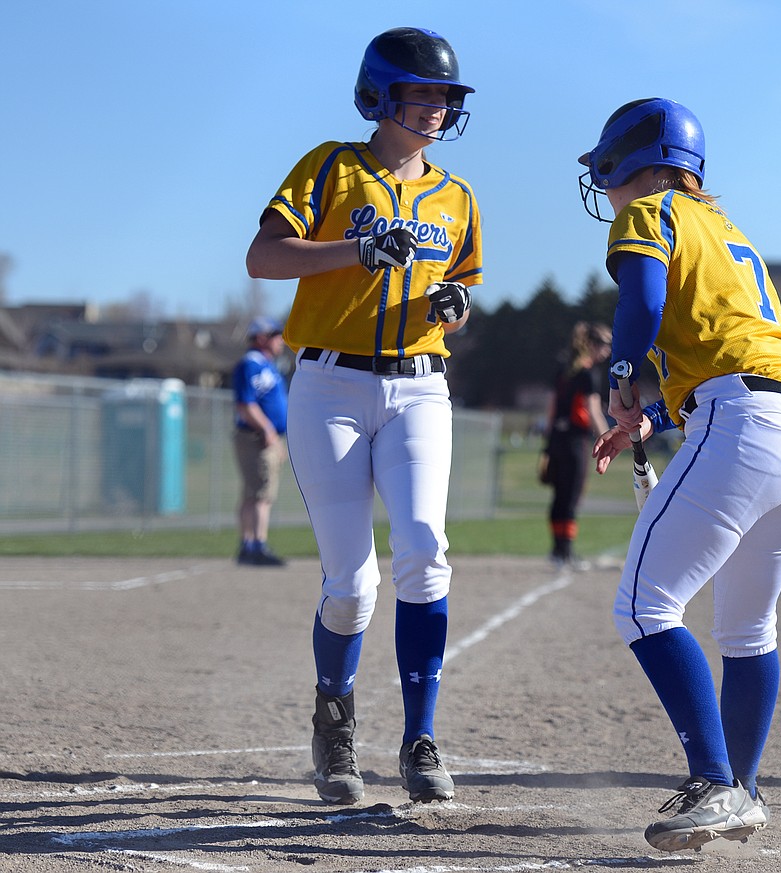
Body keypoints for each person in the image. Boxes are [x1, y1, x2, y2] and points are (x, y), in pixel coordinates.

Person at [581, 98, 781, 852]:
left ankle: (717, 781)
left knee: (643, 605)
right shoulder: (728, 233)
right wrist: (653, 416)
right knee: (747, 626)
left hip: (743, 424)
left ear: (628, 162)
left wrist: (622, 372)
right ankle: (743, 788)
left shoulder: (649, 211)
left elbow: (645, 299)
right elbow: (730, 354)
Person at [244, 26, 481, 806]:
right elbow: (265, 256)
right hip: (330, 387)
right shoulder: (331, 166)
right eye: (422, 93)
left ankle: (420, 740)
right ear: (379, 95)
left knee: (424, 550)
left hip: (421, 386)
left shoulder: (458, 196)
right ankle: (335, 721)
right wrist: (356, 250)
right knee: (352, 583)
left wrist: (456, 306)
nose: (438, 108)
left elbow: (462, 295)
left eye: (446, 96)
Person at [543, 321, 612, 568]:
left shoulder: (564, 369)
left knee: (559, 496)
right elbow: (593, 411)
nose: (607, 351)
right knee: (571, 496)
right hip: (574, 441)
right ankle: (567, 552)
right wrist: (608, 438)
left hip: (557, 439)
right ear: (592, 345)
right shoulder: (587, 373)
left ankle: (557, 551)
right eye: (605, 345)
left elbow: (551, 408)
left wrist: (548, 442)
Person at [231, 316, 289, 566]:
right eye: (276, 336)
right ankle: (256, 545)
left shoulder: (268, 365)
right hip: (255, 437)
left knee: (254, 492)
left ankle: (249, 544)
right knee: (261, 493)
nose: (281, 341)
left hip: (266, 436)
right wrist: (267, 429)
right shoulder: (251, 364)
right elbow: (246, 404)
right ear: (262, 338)